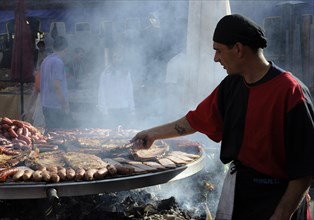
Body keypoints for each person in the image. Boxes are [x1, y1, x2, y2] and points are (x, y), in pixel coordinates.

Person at [131, 14, 314, 220]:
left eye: (218, 50)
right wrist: (152, 134)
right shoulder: (231, 86)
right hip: (242, 194)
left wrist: (282, 213)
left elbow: (305, 166)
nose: (215, 58)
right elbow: (192, 121)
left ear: (238, 48)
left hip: (280, 201)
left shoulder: (291, 92)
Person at [40, 36, 73, 130]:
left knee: (51, 134)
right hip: (55, 106)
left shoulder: (46, 61)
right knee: (58, 136)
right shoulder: (58, 62)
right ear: (66, 49)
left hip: (46, 104)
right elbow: (56, 86)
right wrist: (65, 104)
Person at [97, 48, 135, 129]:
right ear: (112, 59)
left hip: (124, 109)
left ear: (122, 59)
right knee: (110, 135)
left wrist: (132, 111)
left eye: (119, 57)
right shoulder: (105, 74)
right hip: (110, 110)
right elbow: (101, 93)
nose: (117, 59)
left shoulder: (126, 73)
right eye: (115, 57)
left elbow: (130, 92)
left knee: (124, 135)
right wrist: (104, 111)